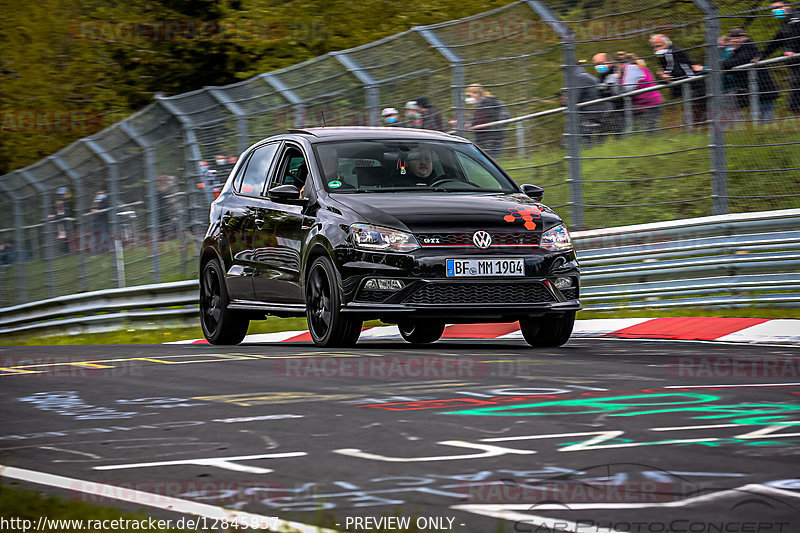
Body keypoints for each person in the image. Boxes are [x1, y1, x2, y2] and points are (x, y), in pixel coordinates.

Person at [723, 28, 780, 123]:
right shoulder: (738, 51)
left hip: (762, 90)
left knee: (764, 119)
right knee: (757, 118)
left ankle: (766, 132)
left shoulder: (749, 49)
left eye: (735, 39)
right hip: (752, 90)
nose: (732, 41)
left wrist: (718, 64)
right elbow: (730, 64)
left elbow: (735, 62)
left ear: (743, 38)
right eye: (731, 39)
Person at [753, 1, 800, 114]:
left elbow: (795, 35)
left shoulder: (796, 18)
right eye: (773, 8)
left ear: (787, 7)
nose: (775, 11)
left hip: (796, 61)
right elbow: (776, 42)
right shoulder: (786, 23)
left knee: (796, 95)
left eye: (778, 7)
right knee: (795, 96)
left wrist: (791, 50)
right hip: (795, 64)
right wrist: (761, 56)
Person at [650, 34, 707, 124]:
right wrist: (662, 75)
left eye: (658, 46)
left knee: (698, 111)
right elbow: (665, 70)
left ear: (666, 44)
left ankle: (700, 129)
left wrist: (664, 76)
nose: (656, 49)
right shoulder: (663, 55)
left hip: (693, 85)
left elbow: (674, 71)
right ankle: (695, 130)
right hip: (685, 87)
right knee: (692, 112)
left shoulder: (671, 52)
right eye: (654, 47)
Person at [618, 53, 663, 132]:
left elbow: (628, 87)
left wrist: (618, 82)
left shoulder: (631, 68)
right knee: (649, 129)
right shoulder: (640, 67)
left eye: (617, 65)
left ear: (621, 64)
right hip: (650, 101)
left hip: (646, 103)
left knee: (647, 130)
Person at [463, 84, 508, 158]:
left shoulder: (486, 102)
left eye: (469, 96)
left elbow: (480, 120)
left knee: (490, 161)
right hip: (491, 137)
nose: (468, 98)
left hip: (490, 137)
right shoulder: (481, 104)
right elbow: (477, 120)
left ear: (476, 94)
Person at [574, 63, 613, 145]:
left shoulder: (579, 78)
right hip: (602, 109)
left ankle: (586, 148)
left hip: (592, 111)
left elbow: (574, 99)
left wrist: (565, 102)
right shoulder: (587, 76)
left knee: (579, 128)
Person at [592, 52, 623, 132]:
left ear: (608, 62)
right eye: (596, 64)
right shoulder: (603, 73)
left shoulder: (616, 71)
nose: (597, 66)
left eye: (600, 63)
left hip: (617, 107)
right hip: (608, 106)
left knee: (618, 130)